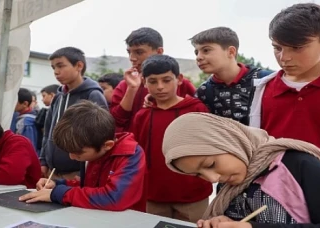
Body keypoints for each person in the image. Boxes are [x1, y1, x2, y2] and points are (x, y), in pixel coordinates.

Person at [162, 113, 320, 228]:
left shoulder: (297, 165)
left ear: (229, 140)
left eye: (210, 164)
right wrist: (225, 222)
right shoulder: (228, 185)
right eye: (198, 174)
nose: (213, 178)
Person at [249, 3, 320, 166]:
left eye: (297, 48)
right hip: (275, 186)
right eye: (277, 48)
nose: (284, 57)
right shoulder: (263, 89)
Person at [19, 101, 146, 212]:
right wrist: (57, 184)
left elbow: (113, 198)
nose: (72, 157)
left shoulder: (130, 154)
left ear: (107, 145)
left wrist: (58, 194)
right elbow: (89, 187)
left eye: (78, 153)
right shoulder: (93, 146)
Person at [133, 55, 212, 222]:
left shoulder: (196, 109)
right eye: (153, 81)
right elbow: (138, 155)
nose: (160, 87)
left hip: (193, 195)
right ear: (144, 82)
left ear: (179, 79)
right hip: (153, 195)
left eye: (166, 80)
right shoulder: (142, 116)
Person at [39, 47, 108, 179]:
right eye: (53, 68)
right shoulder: (58, 97)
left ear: (79, 66)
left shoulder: (92, 94)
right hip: (53, 172)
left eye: (60, 66)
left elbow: (101, 135)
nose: (56, 72)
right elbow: (48, 131)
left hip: (78, 173)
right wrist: (43, 159)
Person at [110, 27, 196, 132]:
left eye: (139, 52)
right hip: (136, 145)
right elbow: (117, 121)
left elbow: (196, 110)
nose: (132, 58)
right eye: (129, 52)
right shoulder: (124, 86)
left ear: (159, 51)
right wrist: (132, 89)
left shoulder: (179, 84)